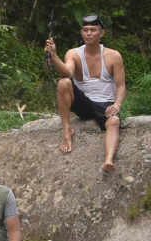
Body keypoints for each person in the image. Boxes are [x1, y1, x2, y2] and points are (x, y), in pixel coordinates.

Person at [44, 13, 126, 171]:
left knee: (114, 122)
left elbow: (121, 85)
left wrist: (117, 104)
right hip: (84, 103)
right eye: (85, 30)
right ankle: (67, 130)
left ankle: (108, 160)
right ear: (82, 32)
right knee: (63, 83)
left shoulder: (114, 56)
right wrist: (54, 56)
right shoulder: (74, 54)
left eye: (93, 30)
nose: (88, 33)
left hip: (105, 102)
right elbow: (67, 73)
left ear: (101, 33)